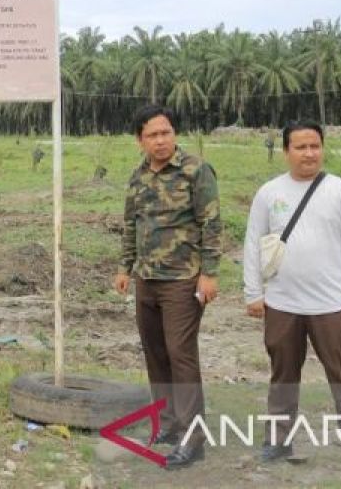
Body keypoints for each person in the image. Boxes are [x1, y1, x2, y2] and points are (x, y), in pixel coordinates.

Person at [243, 121, 341, 482]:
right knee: (283, 375)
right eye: (300, 147)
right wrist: (253, 293)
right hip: (282, 304)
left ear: (323, 148)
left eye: (315, 146)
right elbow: (253, 242)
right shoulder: (269, 193)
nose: (309, 153)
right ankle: (278, 440)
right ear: (286, 151)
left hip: (333, 305)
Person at [113, 104, 220, 470]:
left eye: (166, 132)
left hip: (183, 279)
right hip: (147, 279)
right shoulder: (137, 176)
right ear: (139, 140)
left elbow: (212, 223)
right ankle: (171, 424)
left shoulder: (195, 170)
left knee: (181, 355)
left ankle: (194, 437)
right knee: (156, 354)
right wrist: (125, 267)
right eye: (152, 135)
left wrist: (209, 273)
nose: (161, 141)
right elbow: (131, 224)